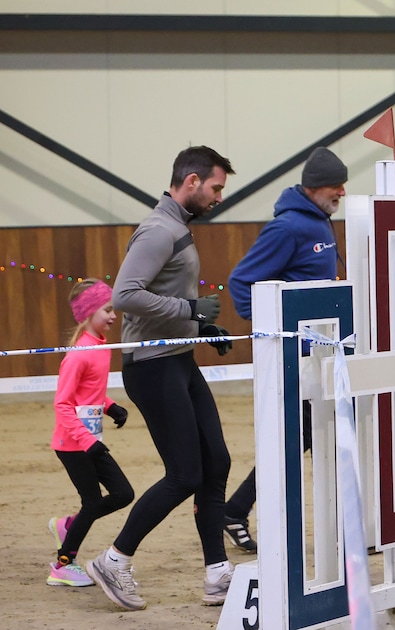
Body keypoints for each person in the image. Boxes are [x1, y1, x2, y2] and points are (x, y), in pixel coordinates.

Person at [88, 146, 237, 611]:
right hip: (152, 368)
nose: (218, 198)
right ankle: (114, 559)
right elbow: (125, 296)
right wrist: (189, 310)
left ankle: (217, 574)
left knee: (217, 461)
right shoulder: (158, 230)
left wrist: (198, 327)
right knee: (185, 475)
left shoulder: (177, 229)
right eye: (215, 188)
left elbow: (160, 298)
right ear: (190, 182)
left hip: (178, 358)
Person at [222, 146, 348, 553]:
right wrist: (271, 334)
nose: (342, 192)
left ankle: (237, 508)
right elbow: (242, 282)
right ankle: (237, 509)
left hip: (322, 353)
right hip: (296, 357)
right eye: (335, 185)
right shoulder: (288, 228)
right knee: (298, 437)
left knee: (302, 437)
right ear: (314, 188)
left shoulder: (321, 223)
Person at [47, 279, 135, 588]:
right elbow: (63, 404)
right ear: (88, 313)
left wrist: (111, 407)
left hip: (89, 441)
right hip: (73, 444)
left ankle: (68, 525)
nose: (114, 315)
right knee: (92, 503)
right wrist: (88, 443)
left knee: (124, 494)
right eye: (108, 310)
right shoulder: (80, 353)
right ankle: (62, 565)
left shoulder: (100, 346)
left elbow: (90, 394)